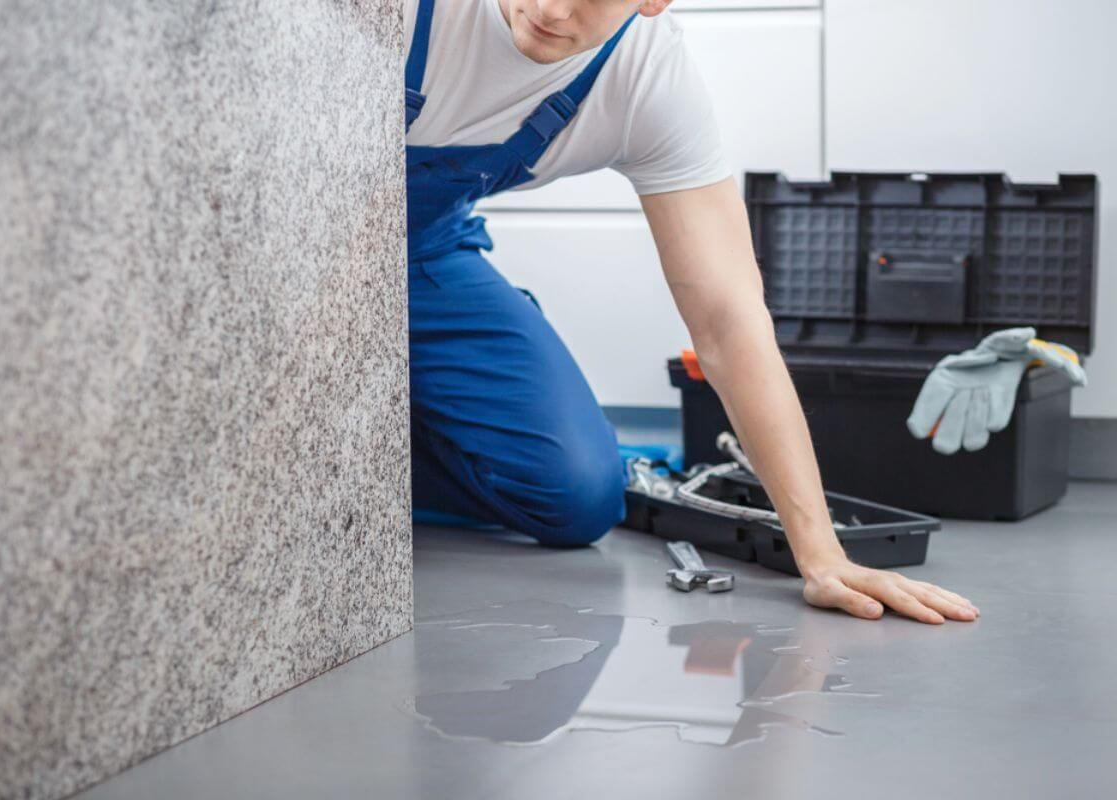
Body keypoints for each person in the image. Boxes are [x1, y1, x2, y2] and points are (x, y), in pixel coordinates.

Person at [405, 0, 979, 625]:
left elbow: (730, 322)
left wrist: (821, 555)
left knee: (576, 497)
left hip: (423, 253)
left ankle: (387, 447)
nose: (550, 7)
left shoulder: (648, 82)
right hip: (292, 231)